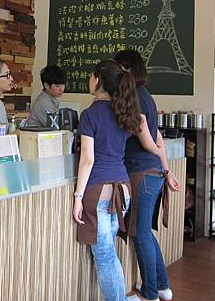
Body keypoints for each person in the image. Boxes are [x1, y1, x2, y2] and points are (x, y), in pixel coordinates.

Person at [72, 60, 164, 301]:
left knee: (105, 255)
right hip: (123, 189)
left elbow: (87, 159)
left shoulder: (90, 115)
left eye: (91, 75)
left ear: (97, 80)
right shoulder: (123, 112)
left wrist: (78, 197)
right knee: (109, 252)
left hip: (99, 190)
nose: (89, 79)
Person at [115, 50, 181, 301]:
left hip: (140, 172)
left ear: (127, 70)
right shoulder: (146, 95)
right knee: (143, 232)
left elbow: (147, 135)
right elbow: (158, 136)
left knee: (139, 233)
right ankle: (162, 287)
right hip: (152, 173)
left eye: (118, 68)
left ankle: (150, 292)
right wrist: (165, 168)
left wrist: (153, 151)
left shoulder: (134, 97)